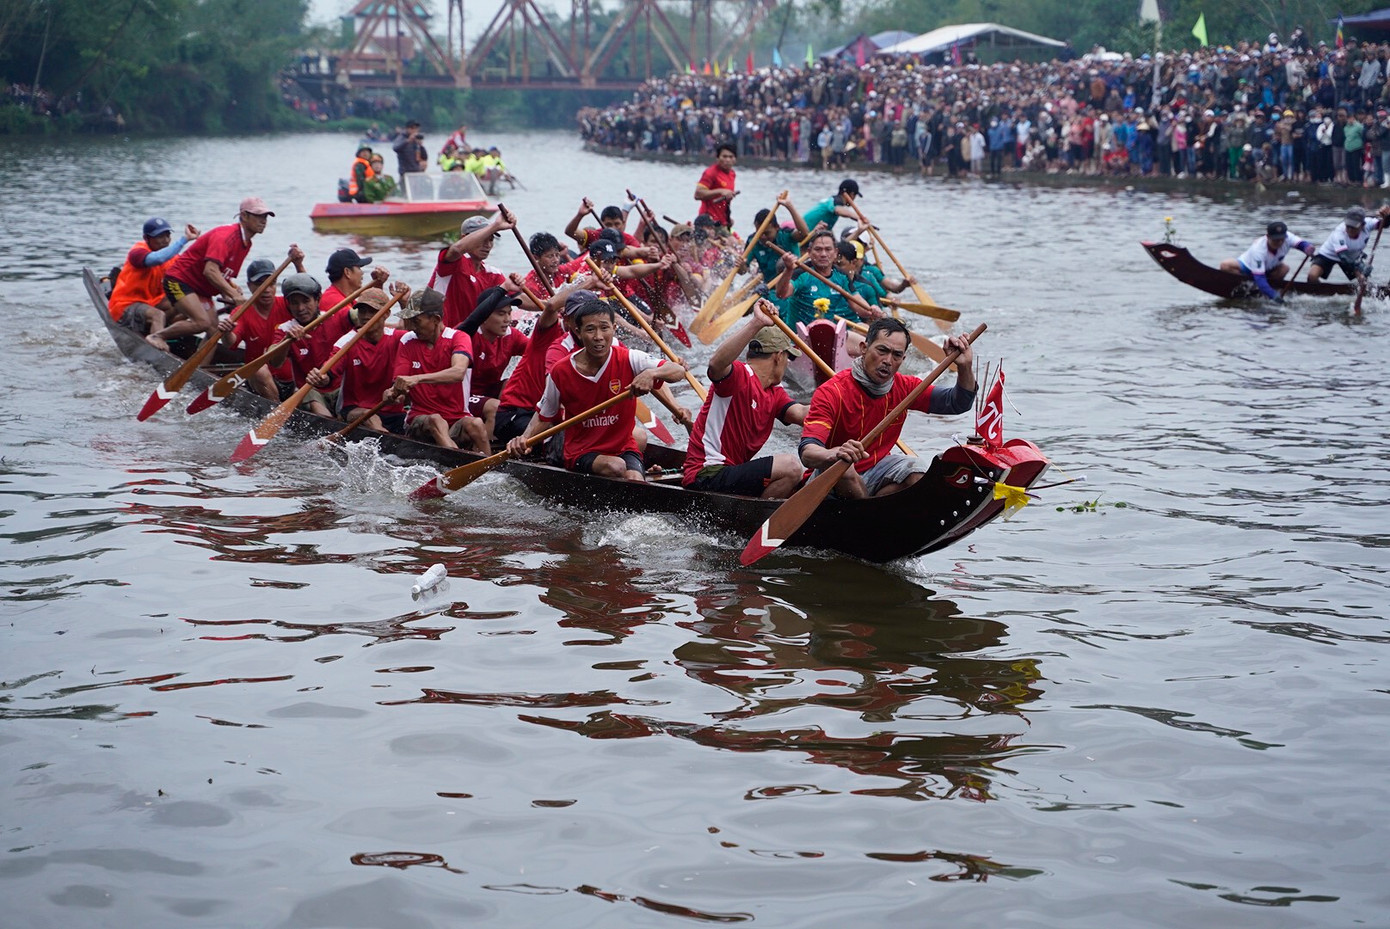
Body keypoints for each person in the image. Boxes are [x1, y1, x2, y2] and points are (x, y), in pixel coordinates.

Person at [505, 294, 688, 481]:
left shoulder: (630, 358)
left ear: (614, 329)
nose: (598, 337)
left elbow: (677, 371)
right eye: (590, 330)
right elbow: (544, 415)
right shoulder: (560, 370)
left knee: (635, 480)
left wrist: (651, 374)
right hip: (581, 450)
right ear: (578, 331)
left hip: (623, 446)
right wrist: (524, 439)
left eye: (604, 328)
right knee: (616, 467)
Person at [799, 318, 977, 499]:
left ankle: (876, 510)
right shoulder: (831, 392)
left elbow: (958, 403)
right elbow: (808, 452)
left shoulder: (906, 388)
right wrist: (834, 453)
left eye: (896, 355)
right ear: (863, 348)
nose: (887, 361)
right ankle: (870, 513)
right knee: (846, 470)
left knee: (917, 473)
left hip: (876, 471)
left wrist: (964, 366)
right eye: (882, 350)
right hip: (831, 479)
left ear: (903, 359)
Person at [683, 301, 808, 498]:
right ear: (778, 356)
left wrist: (839, 396)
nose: (787, 364)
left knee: (802, 480)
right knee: (791, 467)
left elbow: (802, 414)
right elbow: (716, 364)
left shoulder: (774, 392)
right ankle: (758, 522)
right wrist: (756, 323)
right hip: (706, 474)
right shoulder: (740, 376)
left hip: (729, 475)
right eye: (788, 358)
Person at [156, 197, 283, 356]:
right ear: (244, 216)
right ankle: (157, 336)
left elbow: (222, 273)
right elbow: (210, 271)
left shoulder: (246, 243)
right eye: (258, 216)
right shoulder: (225, 236)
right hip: (178, 280)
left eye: (265, 217)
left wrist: (230, 288)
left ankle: (198, 369)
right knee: (202, 323)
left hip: (200, 289)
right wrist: (233, 294)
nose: (263, 221)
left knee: (214, 331)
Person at [386, 288, 488, 452]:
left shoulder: (459, 338)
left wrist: (418, 378)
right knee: (435, 420)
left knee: (476, 423)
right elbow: (400, 390)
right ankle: (458, 460)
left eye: (416, 321)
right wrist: (393, 394)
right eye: (410, 321)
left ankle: (490, 470)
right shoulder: (407, 341)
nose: (411, 327)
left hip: (456, 419)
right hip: (420, 421)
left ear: (435, 319)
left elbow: (458, 372)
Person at [492, 279, 593, 443]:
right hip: (518, 413)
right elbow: (552, 306)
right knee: (571, 439)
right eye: (577, 319)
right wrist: (590, 283)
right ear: (566, 319)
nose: (583, 325)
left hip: (549, 418)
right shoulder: (551, 334)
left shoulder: (598, 346)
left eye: (589, 320)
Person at [323, 284, 409, 435]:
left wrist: (404, 303)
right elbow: (328, 375)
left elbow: (413, 331)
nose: (366, 316)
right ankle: (388, 440)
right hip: (354, 410)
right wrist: (320, 378)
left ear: (386, 314)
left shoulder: (397, 338)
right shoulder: (347, 342)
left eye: (372, 311)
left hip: (392, 411)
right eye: (362, 310)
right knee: (370, 418)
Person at [108, 216, 199, 351]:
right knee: (158, 315)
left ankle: (165, 332)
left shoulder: (173, 257)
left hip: (150, 302)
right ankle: (160, 351)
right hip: (126, 305)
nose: (165, 240)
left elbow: (193, 271)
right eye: (159, 236)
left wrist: (228, 287)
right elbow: (157, 258)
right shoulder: (137, 252)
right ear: (147, 238)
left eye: (167, 235)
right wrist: (184, 240)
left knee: (184, 304)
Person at [218, 258, 294, 402]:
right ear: (249, 286)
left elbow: (309, 299)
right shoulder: (242, 312)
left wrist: (298, 264)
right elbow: (230, 343)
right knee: (259, 371)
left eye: (271, 283)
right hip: (259, 380)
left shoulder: (288, 304)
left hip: (292, 380)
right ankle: (277, 411)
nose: (266, 289)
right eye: (260, 284)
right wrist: (226, 332)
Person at [459, 285, 528, 442]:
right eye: (501, 314)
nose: (507, 320)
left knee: (513, 384)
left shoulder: (512, 336)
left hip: (488, 394)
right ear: (483, 317)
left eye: (509, 313)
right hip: (462, 397)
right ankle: (488, 453)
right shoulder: (466, 335)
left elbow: (539, 351)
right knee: (495, 408)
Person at [433, 213, 522, 330]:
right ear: (464, 238)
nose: (488, 245)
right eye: (483, 239)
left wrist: (548, 306)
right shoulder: (452, 263)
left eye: (491, 239)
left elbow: (518, 299)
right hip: (441, 336)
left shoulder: (493, 274)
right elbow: (457, 249)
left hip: (470, 337)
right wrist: (495, 226)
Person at [774, 229, 878, 326]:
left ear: (835, 253)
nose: (823, 254)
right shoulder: (801, 273)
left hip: (828, 335)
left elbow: (859, 306)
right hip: (797, 338)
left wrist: (871, 310)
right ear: (809, 252)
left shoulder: (842, 277)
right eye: (818, 249)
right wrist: (788, 270)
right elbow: (781, 294)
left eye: (828, 249)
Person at [1219, 221, 1316, 301]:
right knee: (1225, 265)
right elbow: (1260, 278)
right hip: (1248, 268)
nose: (1279, 243)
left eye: (1281, 239)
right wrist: (1273, 295)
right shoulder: (1258, 249)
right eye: (1275, 240)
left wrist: (1308, 248)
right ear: (1268, 237)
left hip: (1268, 270)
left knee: (1284, 269)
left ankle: (1267, 289)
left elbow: (1301, 244)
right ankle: (1246, 287)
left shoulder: (1287, 237)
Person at [1307, 205, 1390, 283]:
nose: (1349, 230)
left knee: (1363, 279)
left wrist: (1387, 216)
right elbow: (1343, 257)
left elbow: (1384, 224)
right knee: (1312, 276)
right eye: (1348, 226)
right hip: (1330, 254)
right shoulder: (1339, 232)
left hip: (1352, 256)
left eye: (1353, 227)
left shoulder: (1368, 223)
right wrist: (1360, 267)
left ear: (1363, 225)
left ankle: (1364, 292)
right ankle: (1320, 292)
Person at [695, 142, 739, 231]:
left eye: (731, 157)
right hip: (707, 222)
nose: (727, 160)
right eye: (724, 156)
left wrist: (727, 219)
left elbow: (725, 202)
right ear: (717, 158)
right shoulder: (710, 173)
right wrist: (720, 191)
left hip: (722, 222)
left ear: (735, 159)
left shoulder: (732, 174)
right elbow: (697, 194)